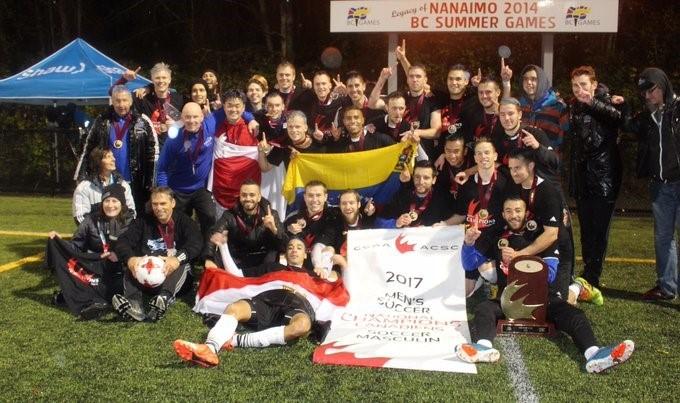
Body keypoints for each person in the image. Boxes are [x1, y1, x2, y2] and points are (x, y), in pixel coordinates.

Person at [456, 196, 634, 374]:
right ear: (503, 214)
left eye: (518, 210)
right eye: (508, 211)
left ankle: (595, 353)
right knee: (483, 309)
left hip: (542, 299)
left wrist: (519, 258)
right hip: (508, 300)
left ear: (526, 213)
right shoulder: (496, 237)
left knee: (575, 315)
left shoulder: (540, 237)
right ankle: (483, 347)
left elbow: (550, 275)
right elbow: (469, 264)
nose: (514, 215)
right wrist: (469, 243)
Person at [172, 237, 338, 368]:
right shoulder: (272, 267)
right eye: (290, 247)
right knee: (235, 308)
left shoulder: (313, 274)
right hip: (267, 298)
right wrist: (223, 247)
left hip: (298, 304)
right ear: (285, 253)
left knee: (301, 327)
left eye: (299, 247)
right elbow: (237, 273)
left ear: (306, 254)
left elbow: (336, 283)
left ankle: (237, 341)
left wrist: (326, 268)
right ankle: (210, 348)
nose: (294, 250)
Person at [624, 67, 680, 300]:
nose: (648, 96)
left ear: (663, 86)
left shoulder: (678, 109)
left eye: (652, 91)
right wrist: (624, 106)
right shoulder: (647, 117)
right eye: (644, 93)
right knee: (663, 237)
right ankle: (666, 287)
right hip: (660, 185)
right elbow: (627, 126)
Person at [569, 66, 625, 289]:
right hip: (583, 177)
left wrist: (593, 102)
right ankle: (588, 272)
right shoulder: (573, 105)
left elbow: (618, 118)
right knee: (585, 228)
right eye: (575, 85)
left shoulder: (609, 101)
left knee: (599, 229)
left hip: (604, 176)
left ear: (594, 84)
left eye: (583, 84)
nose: (579, 89)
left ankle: (593, 276)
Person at [112, 187, 202, 322]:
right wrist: (131, 259)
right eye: (155, 204)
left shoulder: (185, 222)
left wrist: (177, 259)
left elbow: (196, 244)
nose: (158, 208)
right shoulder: (142, 222)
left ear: (173, 203)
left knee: (183, 265)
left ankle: (163, 300)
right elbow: (122, 242)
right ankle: (134, 304)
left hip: (175, 277)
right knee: (133, 265)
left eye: (163, 203)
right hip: (146, 275)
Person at [46, 184, 134, 320]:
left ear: (122, 203)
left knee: (122, 284)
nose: (110, 205)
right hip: (96, 266)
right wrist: (60, 241)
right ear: (102, 202)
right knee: (87, 279)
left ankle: (91, 299)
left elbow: (135, 247)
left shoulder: (131, 222)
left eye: (115, 201)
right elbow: (76, 246)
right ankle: (99, 301)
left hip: (120, 268)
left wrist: (120, 255)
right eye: (107, 201)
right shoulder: (90, 220)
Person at [75, 85, 157, 210]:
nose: (121, 104)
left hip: (135, 182)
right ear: (112, 102)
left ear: (130, 101)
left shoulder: (143, 121)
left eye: (124, 100)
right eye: (117, 101)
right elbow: (88, 148)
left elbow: (153, 153)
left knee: (134, 219)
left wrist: (152, 183)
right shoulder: (102, 121)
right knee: (109, 217)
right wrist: (81, 175)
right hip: (108, 181)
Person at [156, 102, 216, 247]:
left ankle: (207, 255)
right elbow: (162, 167)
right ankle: (182, 254)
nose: (192, 121)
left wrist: (250, 119)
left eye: (195, 117)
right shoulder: (174, 139)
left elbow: (234, 109)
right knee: (180, 224)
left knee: (209, 217)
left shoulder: (211, 124)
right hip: (178, 189)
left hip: (201, 188)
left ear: (202, 117)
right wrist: (164, 193)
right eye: (187, 117)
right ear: (181, 118)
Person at [205, 180, 288, 270]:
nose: (248, 198)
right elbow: (214, 234)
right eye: (244, 195)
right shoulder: (230, 215)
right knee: (218, 257)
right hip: (237, 258)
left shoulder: (271, 214)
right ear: (240, 197)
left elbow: (284, 245)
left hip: (262, 259)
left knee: (273, 253)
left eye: (252, 195)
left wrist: (274, 229)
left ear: (259, 197)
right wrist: (209, 258)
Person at [501, 63, 569, 152]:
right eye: (525, 79)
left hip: (548, 161)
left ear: (542, 81)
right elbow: (505, 108)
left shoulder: (558, 107)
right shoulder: (520, 106)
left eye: (534, 79)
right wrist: (506, 83)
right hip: (524, 161)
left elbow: (567, 140)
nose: (529, 83)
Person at [211, 89, 260, 211]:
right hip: (220, 194)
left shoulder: (254, 130)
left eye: (237, 106)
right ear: (224, 106)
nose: (233, 109)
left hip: (246, 197)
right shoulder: (215, 126)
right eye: (229, 105)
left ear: (244, 108)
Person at [284, 180, 342, 277]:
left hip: (327, 268)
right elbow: (281, 243)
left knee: (329, 249)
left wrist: (372, 212)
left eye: (318, 195)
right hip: (298, 269)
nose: (314, 200)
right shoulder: (293, 218)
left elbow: (353, 213)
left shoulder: (336, 215)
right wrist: (288, 230)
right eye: (310, 195)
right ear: (305, 197)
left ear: (325, 197)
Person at [118, 63, 184, 146]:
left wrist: (176, 124)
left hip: (173, 149)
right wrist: (124, 79)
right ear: (152, 80)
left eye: (164, 78)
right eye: (157, 78)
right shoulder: (142, 97)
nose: (161, 81)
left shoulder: (179, 99)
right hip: (149, 150)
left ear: (169, 79)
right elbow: (116, 95)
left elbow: (186, 121)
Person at [377, 160, 448, 228]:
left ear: (434, 180)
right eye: (417, 177)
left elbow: (456, 219)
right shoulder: (402, 195)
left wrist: (444, 224)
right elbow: (379, 221)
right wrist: (396, 223)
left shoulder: (441, 198)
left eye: (426, 178)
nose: (421, 181)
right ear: (413, 177)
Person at [73, 147, 135, 224]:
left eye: (113, 156)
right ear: (98, 161)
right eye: (108, 157)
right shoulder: (84, 187)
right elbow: (80, 217)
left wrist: (119, 231)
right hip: (94, 235)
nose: (113, 159)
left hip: (121, 234)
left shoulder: (123, 185)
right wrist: (99, 232)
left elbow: (132, 212)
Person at [257, 110, 326, 173]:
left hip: (319, 184)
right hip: (296, 185)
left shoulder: (318, 141)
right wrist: (261, 151)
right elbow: (265, 168)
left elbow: (326, 167)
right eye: (290, 127)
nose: (293, 130)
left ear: (305, 128)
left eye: (297, 127)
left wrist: (301, 159)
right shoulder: (283, 145)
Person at [329, 106, 395, 153]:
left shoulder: (381, 139)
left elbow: (398, 153)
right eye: (348, 118)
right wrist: (336, 140)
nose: (352, 121)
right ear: (344, 122)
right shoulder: (341, 145)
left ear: (363, 120)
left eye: (356, 117)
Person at [334, 189, 376, 257]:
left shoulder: (368, 220)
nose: (348, 207)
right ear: (340, 206)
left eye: (351, 203)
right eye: (344, 203)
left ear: (359, 204)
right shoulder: (334, 224)